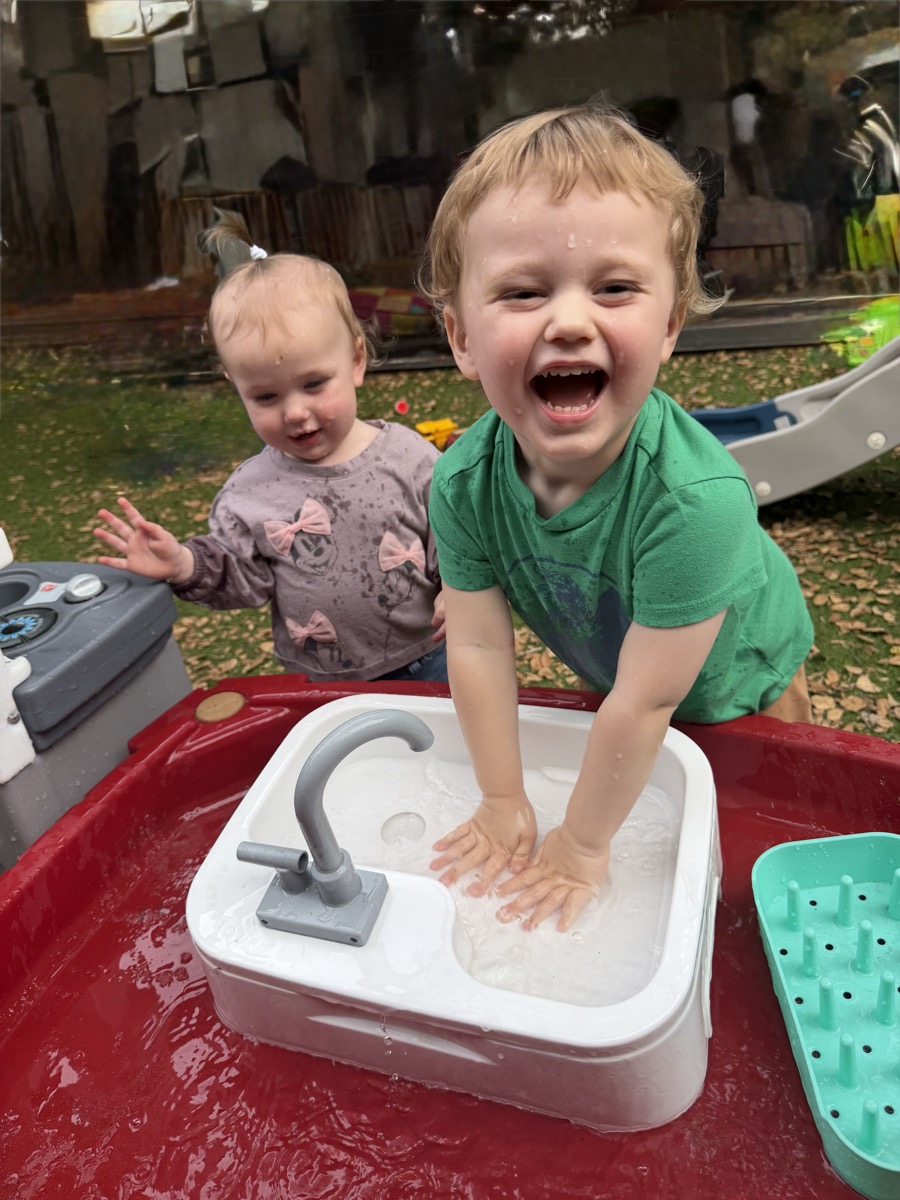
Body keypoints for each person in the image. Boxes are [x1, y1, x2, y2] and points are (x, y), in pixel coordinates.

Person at [417, 103, 814, 932]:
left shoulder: (694, 502)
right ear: (460, 337)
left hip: (744, 677)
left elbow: (642, 706)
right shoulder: (460, 484)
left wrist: (582, 847)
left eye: (615, 287)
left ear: (670, 324)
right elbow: (481, 643)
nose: (568, 321)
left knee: (755, 846)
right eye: (523, 292)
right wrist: (502, 798)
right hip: (623, 674)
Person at [95, 212, 446, 683]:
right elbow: (243, 576)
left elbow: (454, 533)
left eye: (314, 383)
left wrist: (460, 590)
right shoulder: (248, 493)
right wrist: (182, 563)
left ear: (357, 359)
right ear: (236, 387)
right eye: (266, 396)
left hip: (427, 658)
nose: (295, 412)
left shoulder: (410, 457)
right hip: (319, 681)